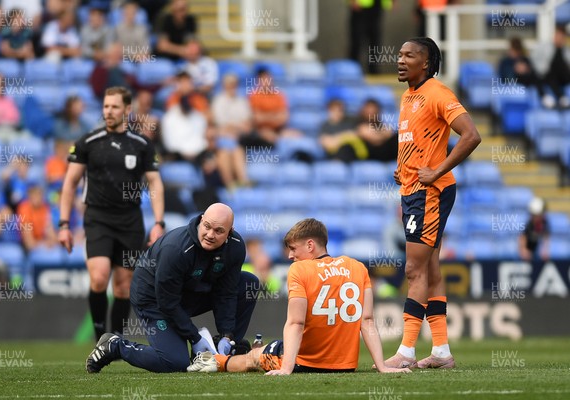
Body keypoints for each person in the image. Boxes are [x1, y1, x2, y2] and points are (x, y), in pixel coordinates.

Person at [187, 218, 411, 374]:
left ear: (310, 245)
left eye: (293, 249)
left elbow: (296, 322)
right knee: (262, 348)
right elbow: (368, 321)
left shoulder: (300, 270)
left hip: (306, 362)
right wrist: (381, 366)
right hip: (345, 364)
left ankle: (213, 359)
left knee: (254, 358)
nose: (290, 256)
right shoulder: (357, 267)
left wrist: (286, 368)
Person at [386, 37, 481, 369]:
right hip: (414, 189)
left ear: (425, 63)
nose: (400, 59)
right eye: (399, 54)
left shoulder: (438, 93)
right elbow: (419, 143)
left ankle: (406, 352)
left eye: (409, 55)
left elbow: (471, 135)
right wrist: (405, 170)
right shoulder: (409, 95)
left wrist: (436, 171)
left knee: (414, 270)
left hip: (430, 192)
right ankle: (441, 352)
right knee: (431, 269)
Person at [84, 203, 259, 373]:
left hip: (191, 292)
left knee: (248, 283)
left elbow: (226, 293)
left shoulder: (235, 247)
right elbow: (167, 302)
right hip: (153, 299)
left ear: (230, 232)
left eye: (219, 231)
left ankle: (224, 351)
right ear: (201, 220)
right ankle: (115, 345)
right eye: (207, 226)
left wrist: (227, 334)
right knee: (175, 362)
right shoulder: (176, 249)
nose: (210, 235)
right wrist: (195, 337)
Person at [58, 86, 166, 342]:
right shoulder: (87, 142)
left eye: (115, 106)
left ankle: (114, 340)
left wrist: (159, 222)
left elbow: (155, 183)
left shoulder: (142, 145)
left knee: (123, 284)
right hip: (98, 218)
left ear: (127, 110)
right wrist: (63, 224)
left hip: (130, 221)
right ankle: (99, 338)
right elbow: (70, 183)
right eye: (106, 106)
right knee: (98, 277)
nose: (109, 111)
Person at [211, 74, 252, 189]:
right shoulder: (218, 100)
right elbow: (221, 125)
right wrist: (237, 126)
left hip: (238, 138)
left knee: (237, 151)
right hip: (223, 138)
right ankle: (230, 186)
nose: (232, 87)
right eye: (229, 85)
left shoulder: (242, 101)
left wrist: (232, 127)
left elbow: (247, 125)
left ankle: (243, 183)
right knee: (225, 153)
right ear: (224, 86)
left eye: (234, 84)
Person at [349, 0, 393, 74]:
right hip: (360, 7)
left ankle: (374, 70)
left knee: (375, 41)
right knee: (357, 41)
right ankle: (351, 70)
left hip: (377, 6)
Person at [531, 25, 570, 109]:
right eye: (558, 36)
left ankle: (559, 98)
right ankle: (560, 97)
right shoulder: (545, 47)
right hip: (548, 75)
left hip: (563, 76)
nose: (559, 38)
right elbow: (535, 61)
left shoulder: (566, 51)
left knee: (557, 69)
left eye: (561, 37)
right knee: (549, 73)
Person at [518, 197, 550, 261]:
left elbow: (546, 237)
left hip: (536, 251)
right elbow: (522, 237)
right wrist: (523, 250)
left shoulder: (545, 223)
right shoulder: (529, 224)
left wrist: (545, 250)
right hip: (528, 253)